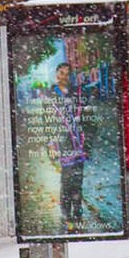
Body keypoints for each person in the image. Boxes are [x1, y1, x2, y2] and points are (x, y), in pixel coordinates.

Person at [47, 62, 87, 232]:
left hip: (78, 144)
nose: (64, 76)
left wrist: (86, 138)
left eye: (67, 73)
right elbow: (47, 120)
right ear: (57, 74)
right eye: (61, 73)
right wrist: (51, 144)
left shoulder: (76, 93)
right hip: (62, 143)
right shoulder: (50, 95)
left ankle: (77, 214)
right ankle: (66, 214)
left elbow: (85, 116)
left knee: (78, 180)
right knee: (67, 180)